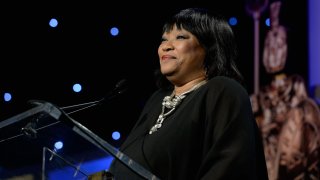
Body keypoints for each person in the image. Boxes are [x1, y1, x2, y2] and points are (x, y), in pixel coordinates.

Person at [108, 8, 269, 180]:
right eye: (164, 39)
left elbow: (230, 167)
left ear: (210, 47)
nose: (166, 46)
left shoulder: (223, 90)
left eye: (180, 37)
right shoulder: (157, 99)